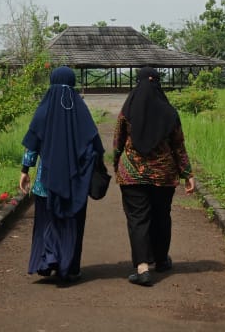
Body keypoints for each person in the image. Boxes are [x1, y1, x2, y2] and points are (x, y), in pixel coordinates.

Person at [19, 66, 104, 283]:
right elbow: (95, 146)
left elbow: (32, 145)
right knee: (72, 224)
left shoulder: (43, 111)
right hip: (75, 184)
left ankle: (47, 261)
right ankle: (70, 267)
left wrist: (25, 170)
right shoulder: (82, 112)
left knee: (46, 222)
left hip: (45, 183)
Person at [113, 66, 195, 286]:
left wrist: (117, 163)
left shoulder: (128, 110)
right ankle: (161, 260)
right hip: (163, 175)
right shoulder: (170, 113)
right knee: (161, 217)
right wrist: (187, 173)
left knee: (137, 219)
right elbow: (178, 146)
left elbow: (118, 141)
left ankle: (142, 269)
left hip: (132, 175)